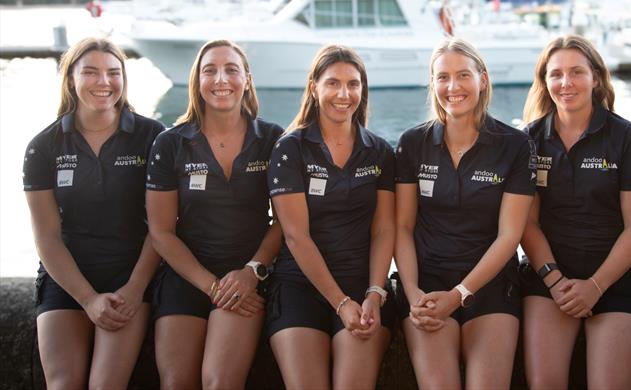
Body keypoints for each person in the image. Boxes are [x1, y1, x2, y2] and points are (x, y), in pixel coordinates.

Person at [23, 37, 164, 390]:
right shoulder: (44, 146)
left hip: (130, 275)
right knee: (63, 384)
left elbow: (162, 227)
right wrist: (87, 299)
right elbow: (47, 237)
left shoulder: (153, 137)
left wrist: (135, 288)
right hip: (67, 276)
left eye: (113, 73)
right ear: (71, 78)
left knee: (106, 385)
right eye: (91, 72)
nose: (104, 82)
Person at [394, 38, 535, 389]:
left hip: (489, 283)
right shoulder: (413, 143)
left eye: (463, 75)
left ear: (482, 79)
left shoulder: (514, 144)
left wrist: (459, 294)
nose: (453, 87)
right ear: (433, 84)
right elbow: (402, 226)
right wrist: (412, 293)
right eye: (442, 77)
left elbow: (510, 235)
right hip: (426, 284)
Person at [146, 39, 283, 390]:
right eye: (210, 70)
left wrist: (253, 272)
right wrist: (210, 285)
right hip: (186, 274)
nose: (221, 79)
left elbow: (286, 222)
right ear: (197, 81)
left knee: (220, 381)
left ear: (247, 80)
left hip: (246, 275)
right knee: (176, 382)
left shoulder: (273, 139)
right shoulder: (170, 143)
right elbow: (161, 232)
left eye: (231, 70)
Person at [520, 35, 631, 390]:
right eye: (556, 74)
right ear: (544, 82)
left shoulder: (627, 137)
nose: (566, 83)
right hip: (550, 278)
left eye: (577, 72)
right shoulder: (528, 140)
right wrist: (555, 280)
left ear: (595, 77)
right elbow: (526, 223)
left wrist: (596, 285)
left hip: (615, 278)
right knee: (544, 383)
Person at [266, 44, 396, 390]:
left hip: (361, 283)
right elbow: (295, 235)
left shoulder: (379, 150)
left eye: (353, 84)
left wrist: (374, 293)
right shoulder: (290, 149)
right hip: (299, 285)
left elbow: (385, 229)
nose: (344, 93)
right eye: (333, 83)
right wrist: (339, 302)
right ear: (314, 87)